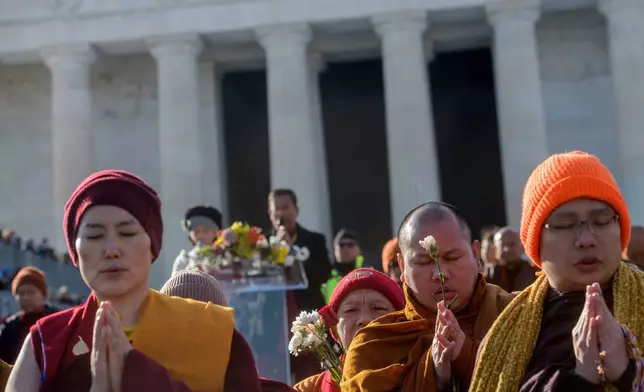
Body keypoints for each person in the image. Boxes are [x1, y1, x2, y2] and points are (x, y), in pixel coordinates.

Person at [6, 169, 261, 392]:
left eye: (127, 233)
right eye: (95, 236)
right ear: (75, 252)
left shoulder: (212, 330)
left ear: (153, 245)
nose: (112, 249)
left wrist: (137, 373)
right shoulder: (47, 340)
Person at [470, 151, 644, 391]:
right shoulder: (503, 338)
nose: (585, 239)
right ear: (535, 243)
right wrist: (578, 379)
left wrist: (627, 372)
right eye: (564, 224)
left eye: (601, 220)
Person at [341, 202, 514, 391]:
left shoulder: (518, 314)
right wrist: (433, 374)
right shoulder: (372, 347)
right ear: (403, 266)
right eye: (422, 262)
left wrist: (465, 354)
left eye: (453, 258)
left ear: (476, 255)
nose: (439, 274)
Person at [294, 268, 405, 392]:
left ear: (400, 321)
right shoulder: (308, 389)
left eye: (378, 308)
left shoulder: (422, 375)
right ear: (335, 329)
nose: (365, 319)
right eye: (351, 310)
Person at [268, 189, 331, 384]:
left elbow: (323, 273)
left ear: (296, 210)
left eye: (285, 208)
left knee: (310, 377)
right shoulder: (262, 244)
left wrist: (292, 253)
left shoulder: (314, 240)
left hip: (306, 315)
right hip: (275, 322)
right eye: (276, 209)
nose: (281, 214)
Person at [0, 267, 57, 364]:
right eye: (21, 293)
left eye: (31, 292)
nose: (25, 297)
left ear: (43, 295)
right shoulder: (9, 327)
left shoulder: (57, 322)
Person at [172, 205, 223, 275]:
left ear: (216, 233)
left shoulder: (225, 259)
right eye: (196, 231)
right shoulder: (184, 260)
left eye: (206, 231)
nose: (201, 236)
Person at [486, 227, 538, 292]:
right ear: (495, 248)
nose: (507, 249)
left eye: (512, 244)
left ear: (523, 247)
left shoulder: (536, 272)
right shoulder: (486, 277)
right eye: (502, 244)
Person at [321, 229, 364, 304]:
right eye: (341, 245)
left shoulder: (367, 274)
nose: (345, 248)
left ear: (359, 249)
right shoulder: (324, 276)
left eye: (350, 245)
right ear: (335, 250)